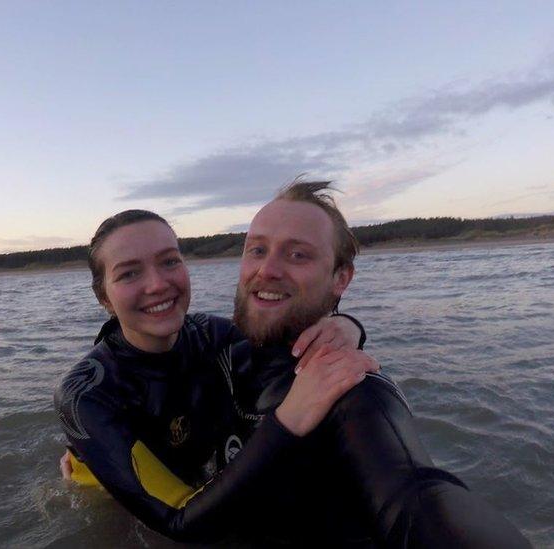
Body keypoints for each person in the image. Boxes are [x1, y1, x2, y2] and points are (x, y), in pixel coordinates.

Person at [218, 180, 531, 547]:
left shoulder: (356, 391)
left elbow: (414, 497)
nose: (267, 269)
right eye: (257, 250)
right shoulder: (215, 352)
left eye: (298, 255)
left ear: (341, 278)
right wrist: (350, 323)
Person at [53, 209, 376, 542]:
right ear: (104, 297)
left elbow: (285, 346)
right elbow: (181, 522)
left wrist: (345, 326)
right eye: (129, 274)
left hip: (195, 482)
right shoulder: (86, 394)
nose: (158, 284)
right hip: (111, 502)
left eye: (169, 262)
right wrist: (289, 419)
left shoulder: (212, 334)